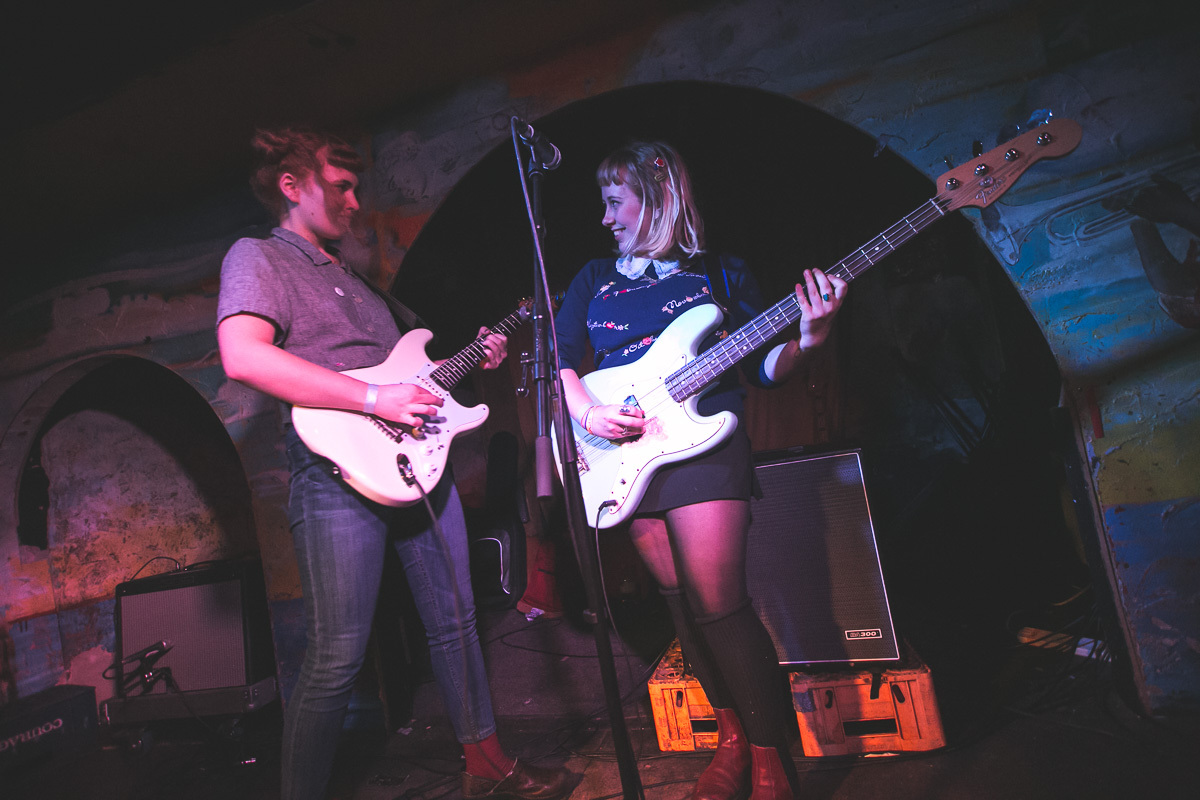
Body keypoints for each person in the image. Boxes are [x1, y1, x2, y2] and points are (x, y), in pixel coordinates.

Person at [216, 127, 571, 800]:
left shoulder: (358, 282)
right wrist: (376, 396)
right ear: (293, 187)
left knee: (458, 619)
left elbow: (416, 375)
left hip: (418, 469)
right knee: (336, 657)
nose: (356, 203)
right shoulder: (258, 257)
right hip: (334, 474)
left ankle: (487, 761)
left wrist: (469, 359)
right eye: (341, 187)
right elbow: (245, 356)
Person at [553, 141, 847, 800]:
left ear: (656, 197)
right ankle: (733, 738)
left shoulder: (718, 274)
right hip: (624, 453)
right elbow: (564, 359)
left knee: (720, 605)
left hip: (704, 447)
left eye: (612, 200)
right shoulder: (593, 277)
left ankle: (774, 758)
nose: (604, 218)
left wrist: (810, 339)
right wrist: (587, 414)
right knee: (680, 607)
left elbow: (766, 369)